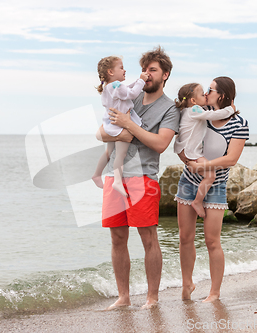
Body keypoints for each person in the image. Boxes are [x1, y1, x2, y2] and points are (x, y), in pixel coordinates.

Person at [96, 46, 180, 310]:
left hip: (143, 177)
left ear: (165, 75)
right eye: (144, 69)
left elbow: (160, 144)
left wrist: (128, 126)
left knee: (148, 238)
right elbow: (100, 132)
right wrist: (122, 134)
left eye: (152, 70)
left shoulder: (170, 109)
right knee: (117, 238)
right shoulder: (126, 97)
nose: (146, 74)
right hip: (115, 175)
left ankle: (152, 298)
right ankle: (123, 297)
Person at [175, 76, 248, 302]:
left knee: (212, 240)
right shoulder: (199, 115)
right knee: (185, 237)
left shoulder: (239, 123)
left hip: (216, 185)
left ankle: (214, 293)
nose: (206, 92)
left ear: (222, 95)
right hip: (188, 181)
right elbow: (183, 143)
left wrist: (204, 166)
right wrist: (190, 163)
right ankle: (187, 284)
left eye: (211, 89)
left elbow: (231, 159)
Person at [173, 83, 235, 219]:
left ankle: (197, 199)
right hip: (191, 152)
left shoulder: (185, 110)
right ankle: (197, 201)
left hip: (184, 149)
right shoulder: (195, 110)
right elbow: (213, 115)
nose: (205, 95)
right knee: (211, 176)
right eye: (202, 94)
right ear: (193, 101)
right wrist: (230, 109)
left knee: (207, 175)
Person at [92, 56, 149, 197]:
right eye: (121, 67)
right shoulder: (116, 86)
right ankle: (117, 181)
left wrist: (138, 80)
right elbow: (133, 93)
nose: (124, 70)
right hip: (119, 126)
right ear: (111, 72)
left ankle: (97, 174)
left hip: (111, 124)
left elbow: (128, 88)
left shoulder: (110, 87)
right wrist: (141, 80)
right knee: (120, 154)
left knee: (108, 153)